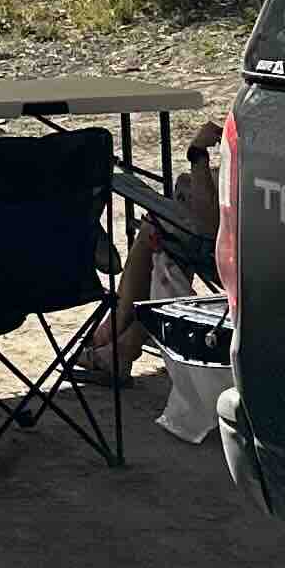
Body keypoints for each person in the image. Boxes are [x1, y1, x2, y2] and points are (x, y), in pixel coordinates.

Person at [80, 114, 221, 377]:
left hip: (235, 257)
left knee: (164, 238)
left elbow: (208, 224)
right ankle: (120, 338)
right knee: (163, 236)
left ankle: (119, 333)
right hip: (224, 242)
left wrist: (198, 154)